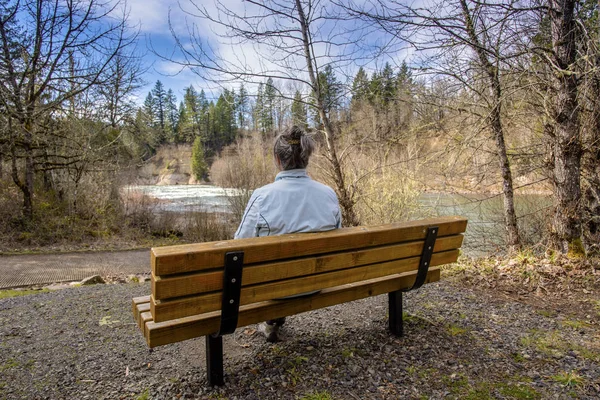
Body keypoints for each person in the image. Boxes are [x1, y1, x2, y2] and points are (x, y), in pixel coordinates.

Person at [234, 125, 342, 342]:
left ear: (277, 158)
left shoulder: (262, 196)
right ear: (307, 157)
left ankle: (272, 321)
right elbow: (338, 239)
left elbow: (238, 246)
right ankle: (274, 321)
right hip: (316, 283)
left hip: (274, 288)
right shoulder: (328, 194)